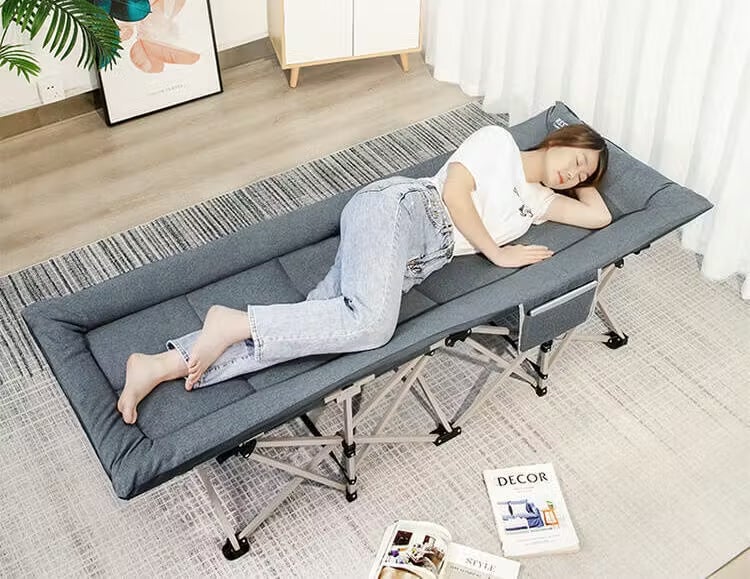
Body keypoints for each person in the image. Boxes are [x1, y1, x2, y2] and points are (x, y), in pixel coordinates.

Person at [117, 122, 610, 424]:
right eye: (576, 160)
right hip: (405, 210)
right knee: (372, 326)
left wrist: (588, 173)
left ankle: (159, 366)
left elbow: (600, 217)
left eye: (583, 174)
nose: (575, 174)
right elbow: (455, 196)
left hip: (412, 259)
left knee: (314, 326)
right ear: (559, 140)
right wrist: (497, 253)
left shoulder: (539, 203)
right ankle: (231, 321)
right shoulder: (498, 143)